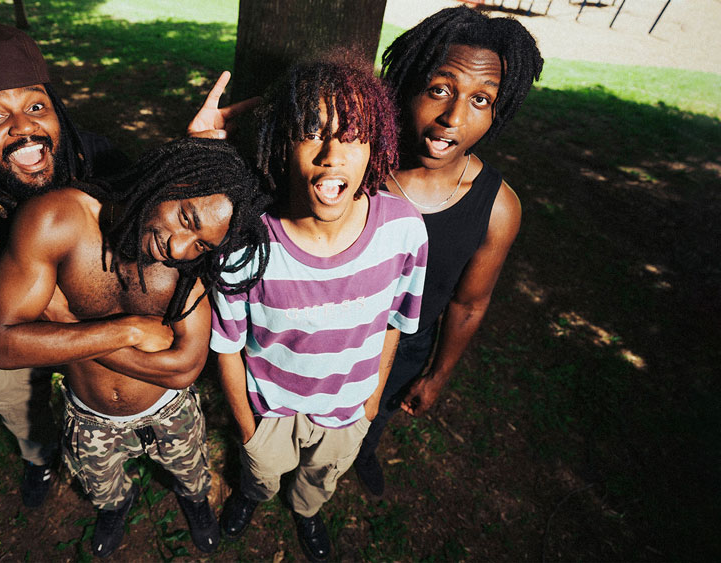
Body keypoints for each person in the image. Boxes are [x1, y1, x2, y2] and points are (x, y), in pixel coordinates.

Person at [0, 22, 251, 509]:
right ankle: (40, 460)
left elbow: (153, 200)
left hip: (82, 328)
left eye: (36, 106)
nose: (23, 127)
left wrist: (193, 151)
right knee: (30, 421)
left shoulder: (94, 158)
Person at [0, 137, 270, 558]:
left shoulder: (188, 267)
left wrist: (66, 326)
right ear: (167, 180)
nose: (179, 248)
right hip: (89, 414)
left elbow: (184, 368)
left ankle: (194, 502)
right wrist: (129, 331)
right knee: (103, 488)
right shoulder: (59, 220)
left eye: (202, 245)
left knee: (191, 473)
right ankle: (115, 508)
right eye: (186, 218)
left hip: (169, 410)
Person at [210, 57, 429, 562]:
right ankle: (252, 495)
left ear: (376, 147)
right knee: (262, 474)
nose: (333, 155)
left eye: (353, 136)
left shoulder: (404, 230)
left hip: (348, 413)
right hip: (267, 412)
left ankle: (306, 511)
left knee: (319, 481)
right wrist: (248, 430)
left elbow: (396, 323)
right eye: (312, 133)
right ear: (282, 144)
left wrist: (370, 405)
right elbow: (227, 346)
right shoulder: (247, 243)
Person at [353, 6, 544, 497]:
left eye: (481, 99)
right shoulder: (356, 165)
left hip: (408, 344)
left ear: (499, 110)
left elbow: (469, 303)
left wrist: (437, 375)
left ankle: (364, 452)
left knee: (375, 418)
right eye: (439, 89)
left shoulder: (497, 208)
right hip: (329, 327)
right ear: (407, 85)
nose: (453, 118)